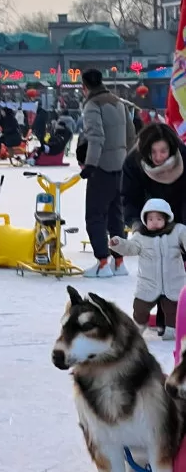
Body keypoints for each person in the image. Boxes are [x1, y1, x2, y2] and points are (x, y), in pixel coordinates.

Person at [79, 68, 136, 278]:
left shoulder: (92, 105)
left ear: (84, 87)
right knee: (116, 216)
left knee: (95, 216)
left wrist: (90, 165)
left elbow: (96, 138)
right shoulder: (118, 102)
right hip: (120, 168)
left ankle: (102, 262)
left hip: (101, 169)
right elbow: (131, 135)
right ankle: (118, 262)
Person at [110, 198, 186, 341]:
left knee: (172, 310)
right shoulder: (141, 236)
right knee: (140, 308)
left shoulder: (177, 232)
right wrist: (118, 243)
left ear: (166, 219)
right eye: (150, 219)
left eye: (158, 218)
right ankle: (138, 326)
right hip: (148, 284)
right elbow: (130, 248)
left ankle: (171, 330)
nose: (154, 222)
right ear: (145, 220)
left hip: (173, 283)